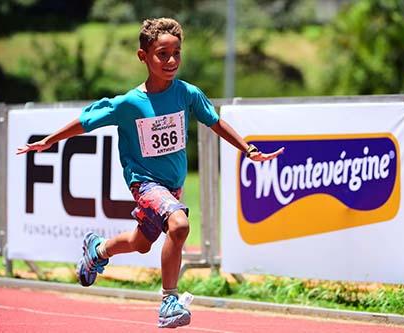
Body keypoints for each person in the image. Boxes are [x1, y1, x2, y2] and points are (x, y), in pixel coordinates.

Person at [17, 17, 284, 329]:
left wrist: (248, 149)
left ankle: (97, 249)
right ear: (143, 56)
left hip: (172, 186)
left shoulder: (187, 94)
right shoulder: (131, 102)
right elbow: (87, 121)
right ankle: (169, 300)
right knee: (180, 224)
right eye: (162, 54)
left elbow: (215, 122)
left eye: (177, 54)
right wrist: (50, 140)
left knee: (142, 242)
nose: (171, 61)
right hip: (144, 183)